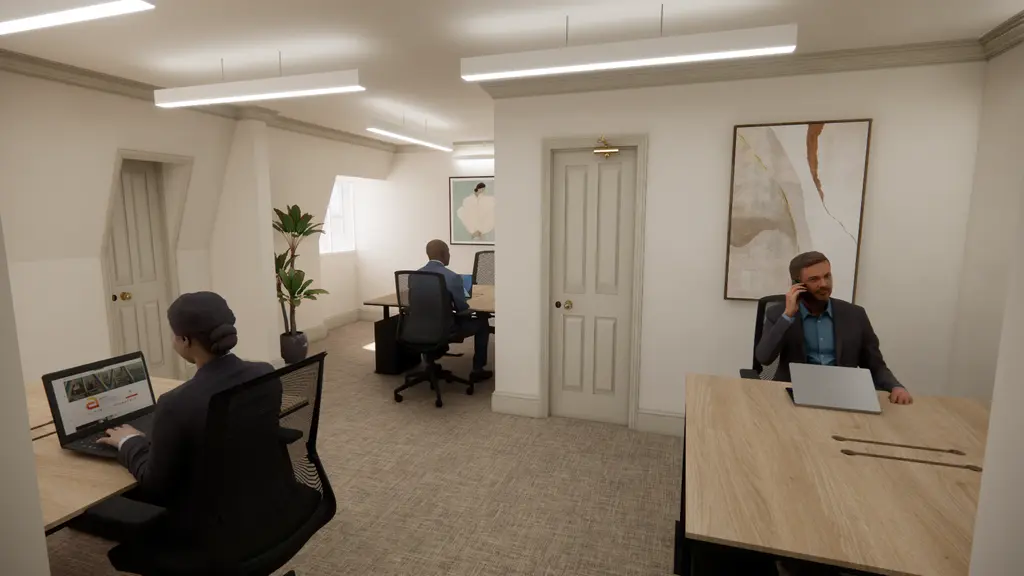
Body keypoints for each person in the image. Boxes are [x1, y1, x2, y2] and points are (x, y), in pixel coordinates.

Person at [95, 291, 316, 571]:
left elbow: (155, 487)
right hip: (274, 508)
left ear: (185, 341)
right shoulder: (264, 374)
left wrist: (129, 441)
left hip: (213, 535)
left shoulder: (176, 404)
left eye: (174, 335)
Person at [755, 251, 913, 404]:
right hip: (794, 392)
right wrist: (788, 316)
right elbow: (764, 358)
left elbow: (875, 365)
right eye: (814, 279)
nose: (824, 284)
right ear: (798, 285)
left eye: (827, 276)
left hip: (842, 394)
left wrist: (895, 386)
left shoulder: (855, 315)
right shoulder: (779, 313)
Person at [419, 239, 493, 381]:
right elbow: (462, 308)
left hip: (418, 327)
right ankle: (478, 370)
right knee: (482, 323)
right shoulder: (452, 277)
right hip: (445, 329)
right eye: (448, 252)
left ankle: (429, 363)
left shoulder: (414, 275)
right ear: (443, 254)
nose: (449, 255)